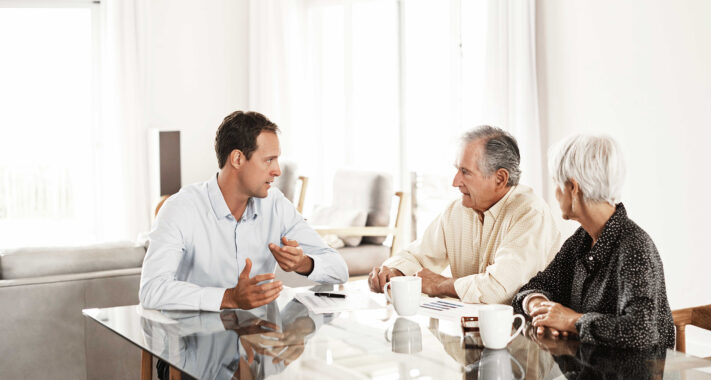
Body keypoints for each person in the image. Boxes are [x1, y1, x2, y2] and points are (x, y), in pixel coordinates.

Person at [140, 111, 349, 311]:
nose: (277, 170)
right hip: (195, 339)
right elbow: (152, 290)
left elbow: (340, 270)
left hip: (259, 339)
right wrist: (228, 297)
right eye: (269, 160)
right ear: (237, 159)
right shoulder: (181, 209)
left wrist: (304, 263)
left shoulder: (276, 205)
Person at [512, 134, 674, 349]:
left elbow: (641, 331)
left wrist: (571, 321)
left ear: (573, 188)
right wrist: (541, 309)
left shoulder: (635, 246)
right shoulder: (581, 240)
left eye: (556, 183)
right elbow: (536, 286)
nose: (555, 193)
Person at [369, 126, 563, 304]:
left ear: (500, 178)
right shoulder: (457, 210)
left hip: (524, 334)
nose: (455, 182)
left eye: (465, 172)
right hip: (469, 329)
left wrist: (440, 284)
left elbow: (499, 289)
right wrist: (394, 271)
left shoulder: (530, 214)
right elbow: (418, 256)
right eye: (457, 170)